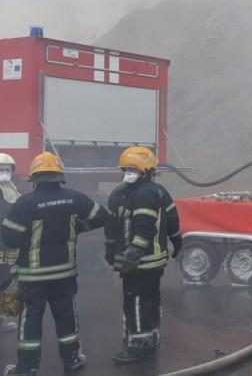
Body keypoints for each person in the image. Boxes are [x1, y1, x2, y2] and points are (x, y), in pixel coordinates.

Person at [1, 152, 109, 376]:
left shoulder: (25, 203)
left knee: (30, 320)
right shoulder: (74, 198)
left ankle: (27, 367)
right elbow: (101, 216)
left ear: (34, 178)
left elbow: (10, 238)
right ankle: (71, 360)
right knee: (66, 316)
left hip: (33, 276)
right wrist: (78, 227)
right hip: (64, 274)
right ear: (59, 175)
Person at [104, 146, 181, 364]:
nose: (128, 172)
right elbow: (112, 227)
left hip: (139, 261)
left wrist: (131, 254)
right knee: (150, 299)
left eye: (133, 169)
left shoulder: (143, 194)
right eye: (127, 168)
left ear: (146, 171)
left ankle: (137, 347)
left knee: (136, 301)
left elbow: (145, 228)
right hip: (152, 261)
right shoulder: (154, 192)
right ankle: (150, 336)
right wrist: (177, 241)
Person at [0, 153, 21, 333]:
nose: (4, 173)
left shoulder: (14, 190)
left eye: (7, 169)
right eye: (0, 170)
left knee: (7, 283)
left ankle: (2, 318)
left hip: (10, 246)